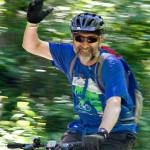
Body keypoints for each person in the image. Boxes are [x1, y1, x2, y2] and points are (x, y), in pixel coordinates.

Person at [22, 0, 137, 150]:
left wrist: (101, 133)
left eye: (91, 39)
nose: (84, 44)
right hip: (83, 128)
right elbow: (32, 46)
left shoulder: (110, 64)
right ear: (73, 38)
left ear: (101, 40)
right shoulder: (69, 55)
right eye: (79, 38)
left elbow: (114, 103)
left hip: (115, 130)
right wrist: (32, 24)